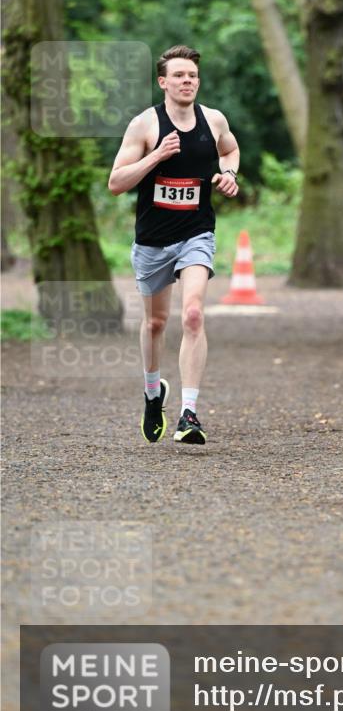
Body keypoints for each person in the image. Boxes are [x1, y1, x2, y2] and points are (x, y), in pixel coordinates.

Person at [108, 45, 239, 445]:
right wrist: (156, 157)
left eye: (193, 76)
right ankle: (153, 393)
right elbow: (116, 182)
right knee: (155, 322)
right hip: (152, 241)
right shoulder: (144, 125)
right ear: (163, 82)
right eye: (179, 76)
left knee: (194, 314)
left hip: (196, 234)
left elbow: (230, 149)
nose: (188, 82)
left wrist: (229, 173)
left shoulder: (213, 120)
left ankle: (189, 413)